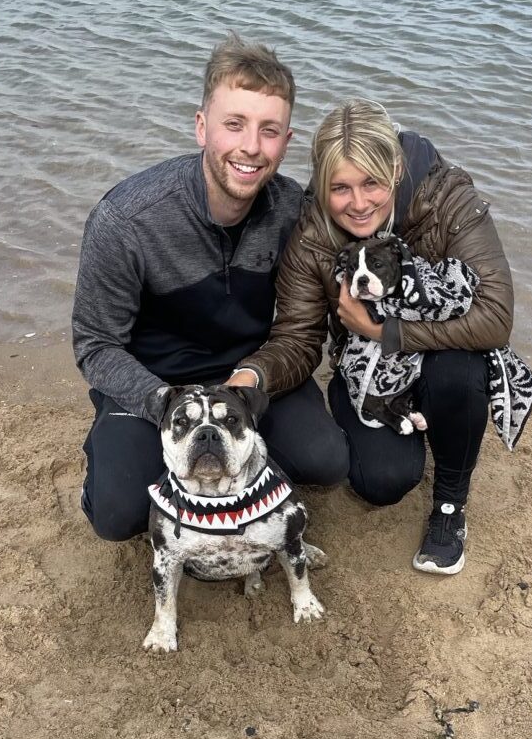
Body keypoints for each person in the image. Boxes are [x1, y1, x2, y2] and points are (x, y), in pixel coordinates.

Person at [71, 34, 349, 541]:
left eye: (270, 131)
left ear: (286, 143)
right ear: (202, 127)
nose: (251, 147)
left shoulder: (295, 213)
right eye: (234, 124)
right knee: (118, 515)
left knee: (327, 462)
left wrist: (253, 380)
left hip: (249, 377)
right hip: (154, 383)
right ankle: (108, 454)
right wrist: (161, 402)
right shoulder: (126, 220)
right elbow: (95, 345)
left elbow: (302, 335)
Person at [245, 100, 516, 575]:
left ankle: (451, 505)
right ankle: (407, 418)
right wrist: (252, 376)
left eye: (371, 183)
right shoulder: (312, 234)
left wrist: (384, 330)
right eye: (340, 188)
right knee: (382, 481)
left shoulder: (447, 199)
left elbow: (495, 316)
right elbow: (299, 337)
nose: (358, 203)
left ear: (394, 169)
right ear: (321, 185)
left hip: (440, 355)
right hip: (367, 371)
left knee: (460, 371)